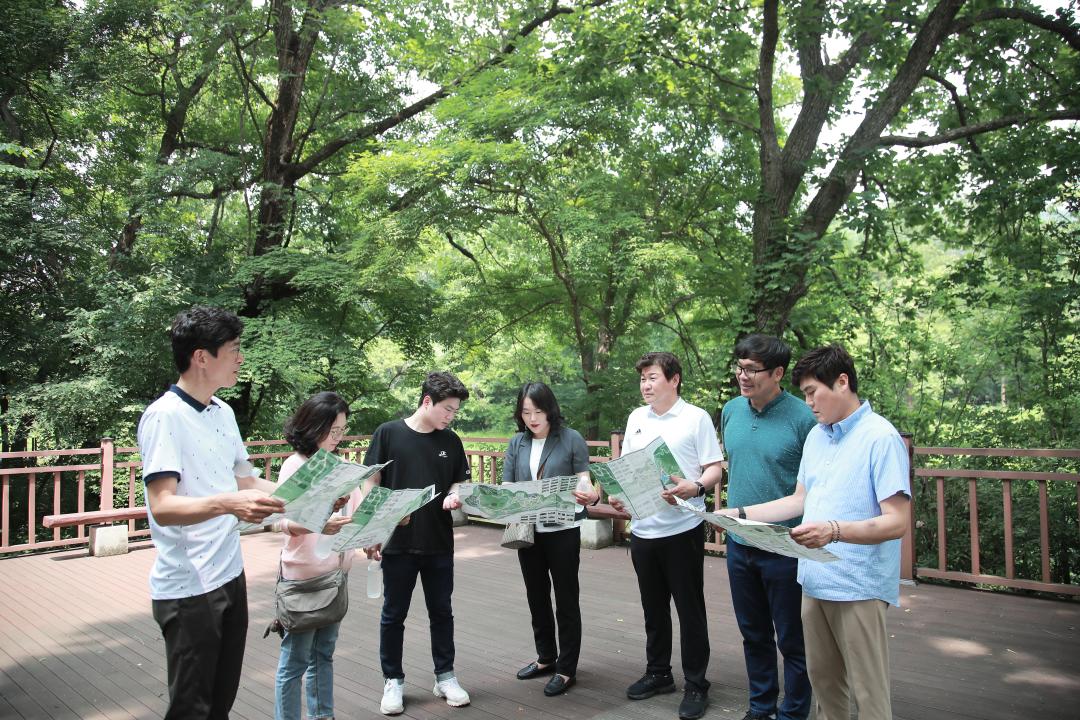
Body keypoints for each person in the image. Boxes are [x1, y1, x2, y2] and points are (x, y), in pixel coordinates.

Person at [717, 345, 911, 720]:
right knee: (824, 688)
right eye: (804, 394)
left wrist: (833, 531)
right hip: (813, 579)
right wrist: (737, 514)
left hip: (859, 586)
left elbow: (896, 521)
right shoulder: (819, 436)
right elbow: (797, 501)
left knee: (868, 694)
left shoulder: (880, 438)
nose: (808, 403)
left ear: (842, 382)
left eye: (812, 393)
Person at [137, 305, 286, 720]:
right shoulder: (164, 416)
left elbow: (246, 482)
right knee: (192, 709)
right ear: (202, 357)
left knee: (220, 702)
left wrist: (313, 496)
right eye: (234, 349)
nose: (241, 358)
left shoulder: (224, 412)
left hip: (229, 575)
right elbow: (162, 506)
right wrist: (227, 504)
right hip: (188, 589)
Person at [610, 352, 725, 720]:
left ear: (674, 379)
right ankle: (658, 673)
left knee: (690, 610)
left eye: (653, 377)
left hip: (682, 528)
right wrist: (618, 493)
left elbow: (714, 468)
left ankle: (696, 684)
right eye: (642, 378)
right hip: (644, 528)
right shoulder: (636, 418)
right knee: (653, 607)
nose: (646, 384)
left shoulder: (696, 418)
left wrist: (694, 486)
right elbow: (628, 466)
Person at [363, 372, 473, 715]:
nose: (450, 416)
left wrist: (455, 498)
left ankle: (445, 676)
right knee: (393, 614)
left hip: (439, 541)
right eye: (447, 409)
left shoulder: (451, 441)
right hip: (398, 542)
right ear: (427, 401)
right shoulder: (388, 433)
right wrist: (373, 528)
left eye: (455, 411)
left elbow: (459, 482)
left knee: (442, 612)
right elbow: (371, 482)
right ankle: (393, 680)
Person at [721, 335, 816, 720]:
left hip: (786, 545)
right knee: (754, 634)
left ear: (777, 373)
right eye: (739, 367)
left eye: (751, 370)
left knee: (793, 640)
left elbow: (811, 490)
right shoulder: (731, 411)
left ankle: (792, 713)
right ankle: (760, 708)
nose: (742, 376)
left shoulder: (804, 418)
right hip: (740, 544)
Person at [502, 382, 599, 697]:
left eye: (538, 411)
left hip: (562, 531)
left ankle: (567, 668)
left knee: (566, 598)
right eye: (526, 412)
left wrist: (589, 493)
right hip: (529, 530)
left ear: (550, 410)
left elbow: (584, 479)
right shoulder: (517, 443)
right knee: (536, 595)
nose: (532, 418)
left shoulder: (570, 439)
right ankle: (546, 657)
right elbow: (508, 485)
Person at [273, 392, 360, 720]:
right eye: (333, 431)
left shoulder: (339, 466)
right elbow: (284, 522)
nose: (338, 438)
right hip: (304, 576)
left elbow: (354, 516)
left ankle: (323, 716)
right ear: (314, 427)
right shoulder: (295, 465)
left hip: (337, 573)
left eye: (342, 431)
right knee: (295, 661)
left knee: (324, 654)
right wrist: (321, 523)